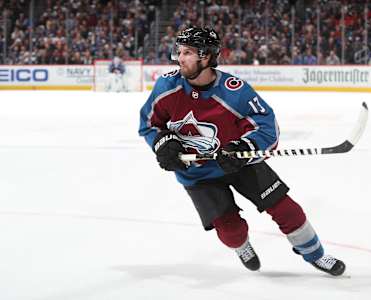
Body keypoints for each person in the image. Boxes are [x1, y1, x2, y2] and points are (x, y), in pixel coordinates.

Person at [138, 27, 345, 276]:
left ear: (206, 56)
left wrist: (243, 148)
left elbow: (267, 128)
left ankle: (315, 255)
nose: (180, 58)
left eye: (188, 52)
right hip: (198, 175)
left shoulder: (234, 91)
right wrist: (162, 144)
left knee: (288, 210)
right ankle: (242, 246)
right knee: (231, 232)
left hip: (240, 163)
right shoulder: (167, 86)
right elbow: (148, 124)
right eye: (179, 51)